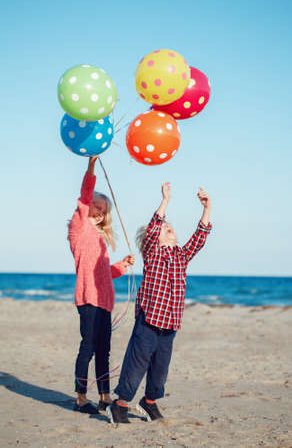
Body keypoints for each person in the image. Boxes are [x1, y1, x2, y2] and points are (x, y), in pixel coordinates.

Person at [107, 182, 211, 424]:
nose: (169, 228)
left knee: (160, 369)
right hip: (149, 320)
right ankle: (120, 405)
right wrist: (165, 202)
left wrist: (207, 207)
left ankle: (149, 402)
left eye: (171, 227)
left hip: (170, 324)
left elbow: (200, 236)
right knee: (137, 363)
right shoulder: (153, 252)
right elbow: (153, 228)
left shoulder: (181, 256)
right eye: (165, 228)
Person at [68, 156, 135, 415]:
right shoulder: (79, 228)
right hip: (88, 300)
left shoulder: (99, 239)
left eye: (103, 210)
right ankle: (80, 398)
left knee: (104, 352)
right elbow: (84, 196)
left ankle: (105, 397)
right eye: (95, 207)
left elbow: (105, 274)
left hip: (105, 302)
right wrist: (92, 165)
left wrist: (122, 265)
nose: (99, 212)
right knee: (88, 348)